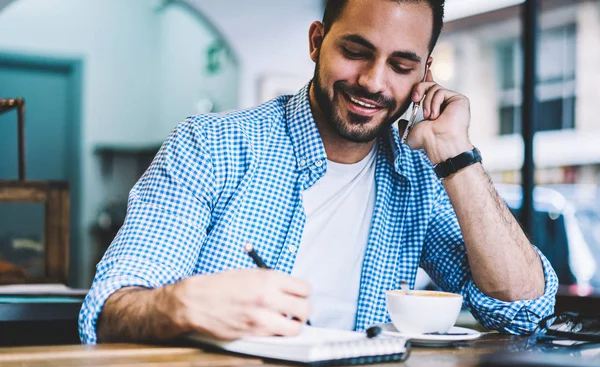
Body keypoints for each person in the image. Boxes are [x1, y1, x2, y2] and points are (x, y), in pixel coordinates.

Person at [79, 0, 558, 344]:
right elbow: (109, 312)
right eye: (356, 51)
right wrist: (178, 306)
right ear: (316, 42)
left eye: (401, 64)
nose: (373, 81)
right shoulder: (211, 147)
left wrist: (457, 156)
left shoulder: (420, 174)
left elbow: (521, 308)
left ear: (424, 74)